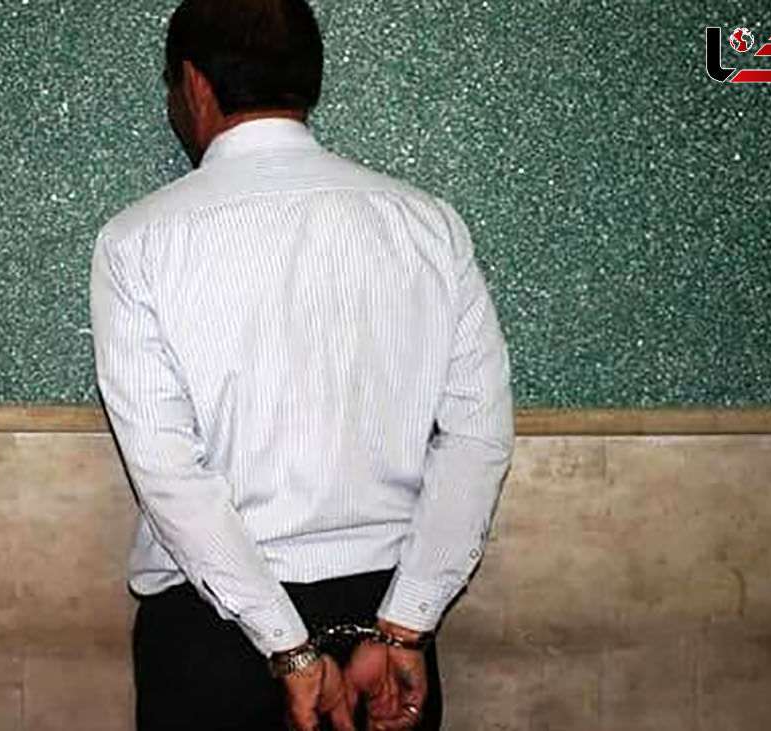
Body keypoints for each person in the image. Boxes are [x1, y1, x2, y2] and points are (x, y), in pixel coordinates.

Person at [88, 1, 514, 728]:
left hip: (211, 638)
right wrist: (407, 624)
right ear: (307, 79)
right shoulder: (428, 225)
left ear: (194, 84)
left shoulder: (138, 241)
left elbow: (168, 471)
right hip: (385, 633)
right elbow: (477, 437)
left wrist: (289, 648)